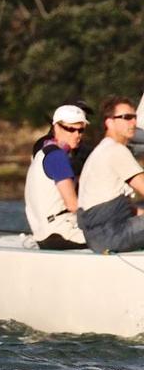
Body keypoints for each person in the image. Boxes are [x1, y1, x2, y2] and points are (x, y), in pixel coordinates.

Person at [76, 96, 144, 253]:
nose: (133, 123)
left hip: (99, 236)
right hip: (111, 235)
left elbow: (120, 208)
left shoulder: (102, 149)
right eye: (126, 118)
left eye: (134, 117)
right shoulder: (116, 150)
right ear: (109, 122)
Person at [24, 104, 88, 250]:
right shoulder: (58, 157)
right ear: (56, 128)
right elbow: (73, 205)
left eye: (81, 130)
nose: (77, 134)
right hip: (62, 234)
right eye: (71, 129)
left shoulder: (43, 153)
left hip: (44, 235)